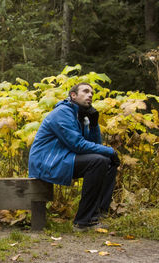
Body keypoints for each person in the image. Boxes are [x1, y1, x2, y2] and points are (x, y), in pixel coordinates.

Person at [28, 82, 120, 231]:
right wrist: (110, 150)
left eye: (92, 93)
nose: (90, 94)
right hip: (46, 161)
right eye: (85, 91)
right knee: (99, 161)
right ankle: (83, 221)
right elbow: (77, 145)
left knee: (107, 162)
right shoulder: (63, 112)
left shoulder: (82, 116)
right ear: (73, 95)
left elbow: (95, 146)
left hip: (64, 159)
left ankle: (96, 215)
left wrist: (94, 124)